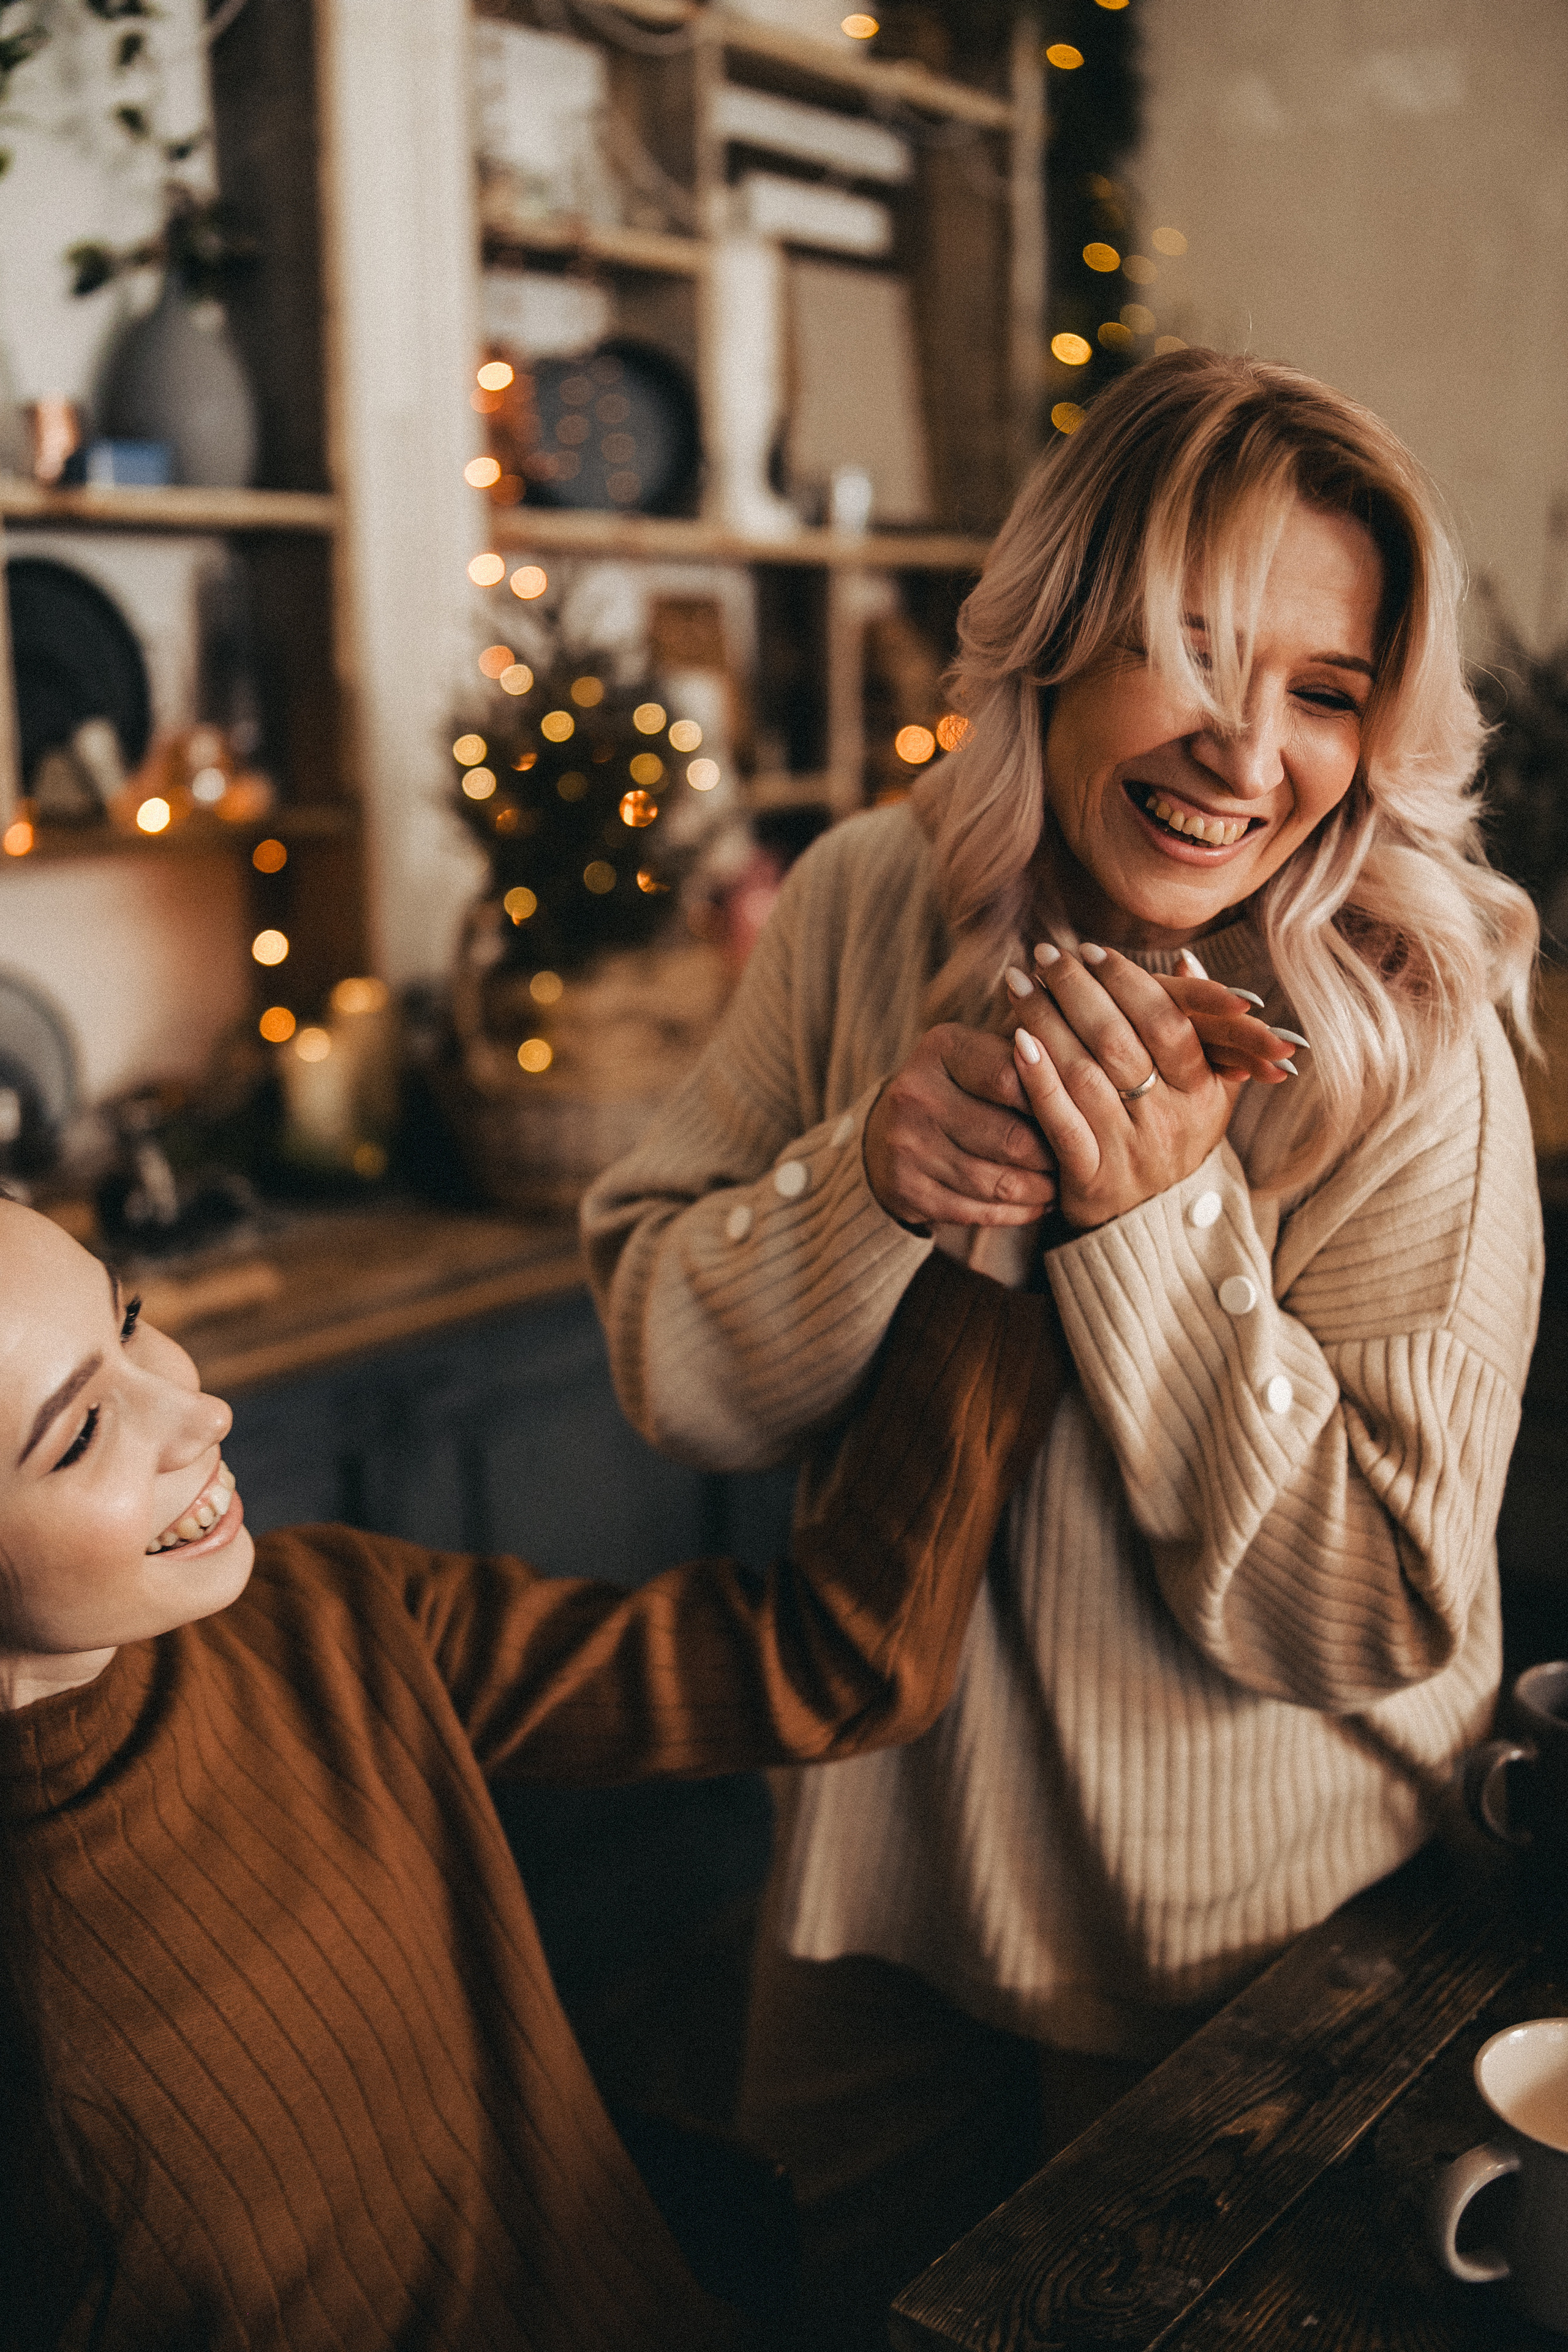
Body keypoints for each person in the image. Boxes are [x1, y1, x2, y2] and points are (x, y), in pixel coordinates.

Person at [582, 347, 1545, 2344]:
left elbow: (1376, 1614)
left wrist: (1157, 1226)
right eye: (1189, 650)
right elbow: (671, 1369)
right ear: (1053, 637)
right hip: (865, 1910)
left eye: (1325, 690)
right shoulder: (865, 901)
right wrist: (870, 1182)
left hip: (1253, 1959)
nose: (1247, 754)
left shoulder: (1412, 1028)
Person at [0, 1194, 1061, 2352]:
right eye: (81, 1432)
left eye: (131, 1319)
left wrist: (989, 1250)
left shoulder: (331, 1622)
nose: (200, 1408)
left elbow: (828, 1667)